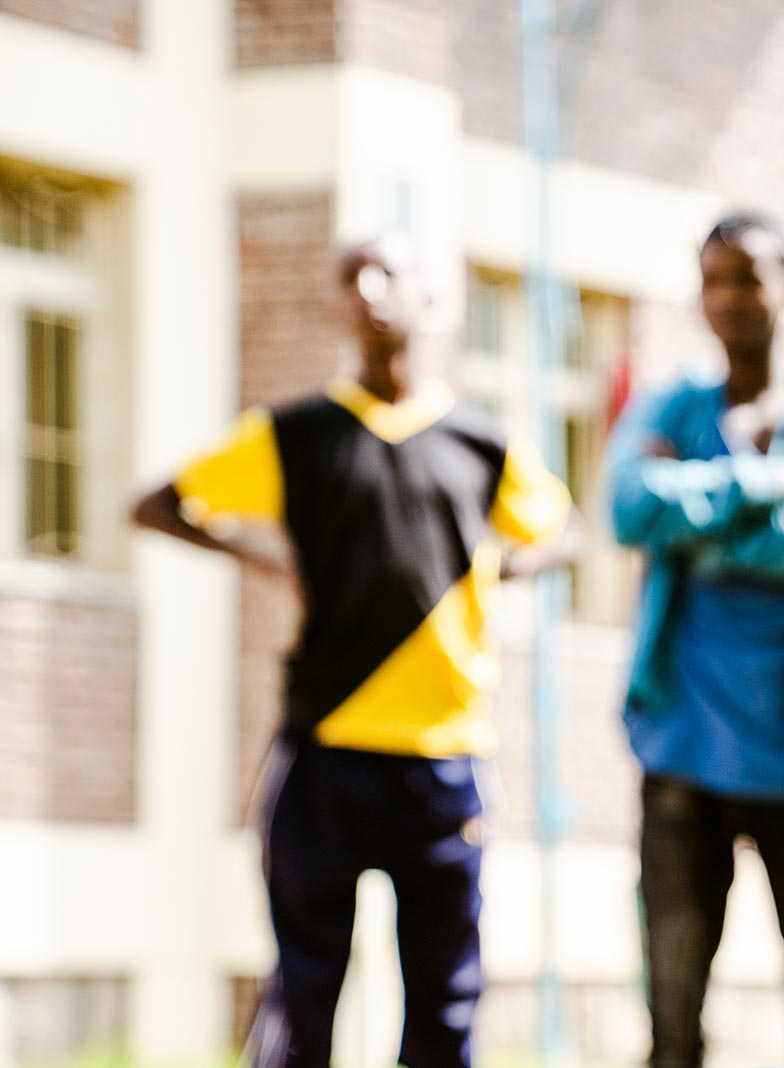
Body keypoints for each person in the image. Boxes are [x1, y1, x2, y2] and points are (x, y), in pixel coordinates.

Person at [130, 234, 579, 1068]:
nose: (370, 289)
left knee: (445, 1007)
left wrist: (504, 565)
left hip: (446, 760)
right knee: (305, 1001)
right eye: (351, 276)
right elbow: (158, 503)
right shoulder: (294, 435)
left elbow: (567, 531)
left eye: (390, 272)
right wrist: (264, 557)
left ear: (433, 299)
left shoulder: (481, 444)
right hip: (325, 751)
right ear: (337, 304)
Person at [603, 212, 784, 1068]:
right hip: (682, 745)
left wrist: (698, 528)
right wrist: (763, 480)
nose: (731, 296)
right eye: (714, 279)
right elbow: (626, 507)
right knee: (670, 1026)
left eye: (749, 276)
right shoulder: (672, 404)